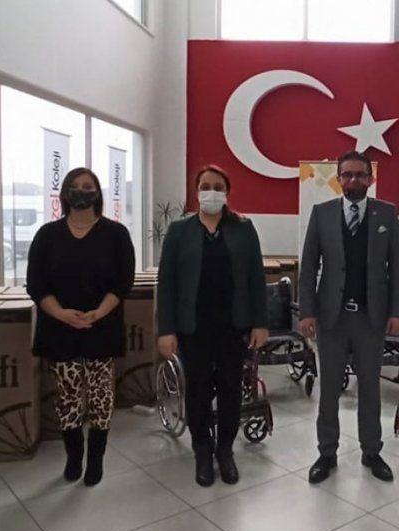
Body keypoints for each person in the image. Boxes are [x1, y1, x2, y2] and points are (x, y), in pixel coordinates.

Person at [299, 151, 399, 484]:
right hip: (331, 317)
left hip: (370, 318)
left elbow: (397, 268)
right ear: (338, 179)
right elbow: (309, 266)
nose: (353, 180)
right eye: (347, 174)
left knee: (370, 389)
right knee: (329, 388)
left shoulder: (386, 213)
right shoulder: (321, 214)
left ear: (370, 179)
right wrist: (306, 311)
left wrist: (397, 311)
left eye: (360, 174)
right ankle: (326, 452)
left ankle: (371, 451)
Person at [157, 165, 268, 487]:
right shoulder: (179, 231)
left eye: (218, 187)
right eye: (205, 186)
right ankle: (202, 452)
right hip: (192, 327)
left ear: (227, 192)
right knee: (199, 392)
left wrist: (260, 323)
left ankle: (225, 451)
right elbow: (167, 283)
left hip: (233, 326)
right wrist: (166, 330)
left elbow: (256, 278)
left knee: (231, 391)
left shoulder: (243, 228)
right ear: (196, 192)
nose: (211, 192)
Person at [26, 168, 135, 487]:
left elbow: (123, 282)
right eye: (75, 186)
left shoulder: (116, 234)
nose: (82, 191)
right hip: (60, 329)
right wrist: (61, 314)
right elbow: (36, 284)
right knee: (68, 396)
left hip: (102, 327)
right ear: (65, 193)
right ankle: (74, 457)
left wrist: (98, 313)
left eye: (88, 186)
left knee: (101, 397)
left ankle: (96, 460)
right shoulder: (47, 235)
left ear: (98, 193)